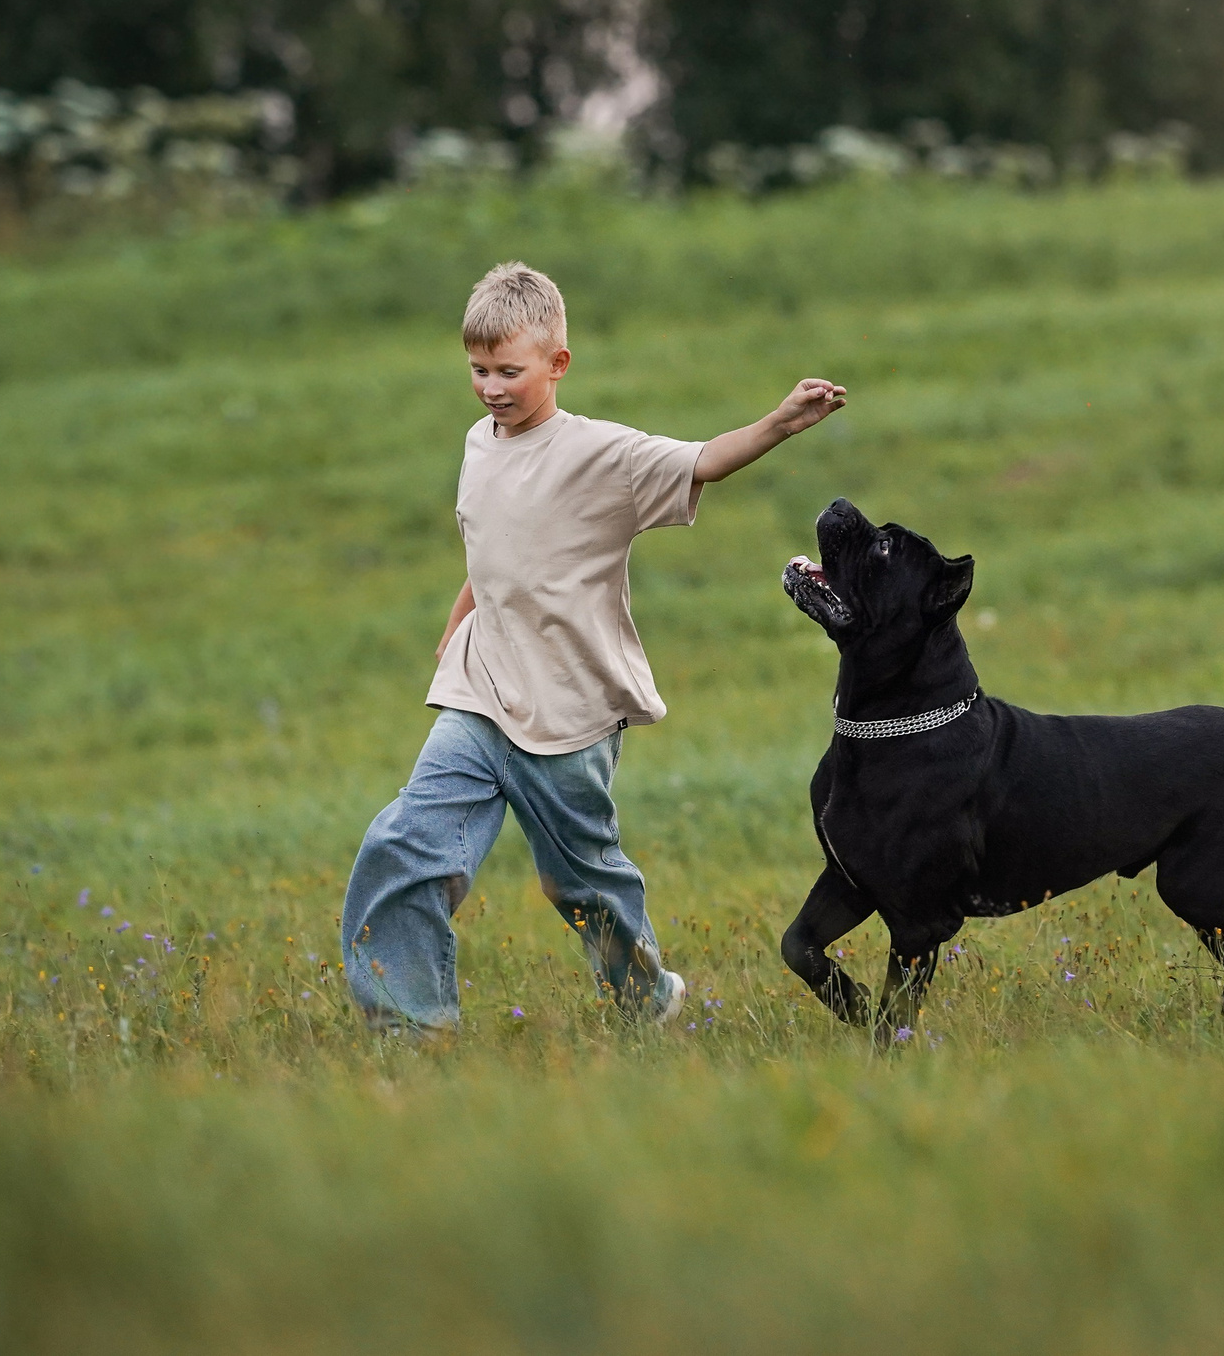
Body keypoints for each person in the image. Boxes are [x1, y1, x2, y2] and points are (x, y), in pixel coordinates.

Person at [340, 260, 848, 1034]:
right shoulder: (480, 444)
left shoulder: (600, 455)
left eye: (509, 370)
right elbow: (494, 553)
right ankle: (408, 1030)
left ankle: (648, 999)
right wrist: (458, 626)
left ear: (557, 364)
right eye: (477, 369)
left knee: (581, 884)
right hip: (480, 695)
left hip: (568, 712)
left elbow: (703, 458)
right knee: (405, 845)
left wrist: (780, 422)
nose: (490, 387)